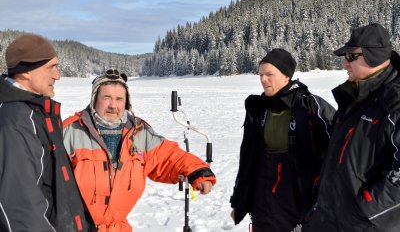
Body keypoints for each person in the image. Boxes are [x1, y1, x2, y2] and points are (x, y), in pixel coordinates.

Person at [63, 68, 217, 231]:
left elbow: (168, 156)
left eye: (119, 99)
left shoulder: (139, 132)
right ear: (94, 99)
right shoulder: (70, 131)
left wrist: (198, 171)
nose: (113, 105)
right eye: (106, 98)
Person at [304, 23, 400, 232]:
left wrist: (366, 209)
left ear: (373, 55)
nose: (344, 64)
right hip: (328, 218)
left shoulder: (394, 102)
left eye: (351, 56)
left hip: (362, 224)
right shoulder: (355, 98)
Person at [230, 48, 335, 232]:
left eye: (269, 74)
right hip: (262, 205)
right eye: (260, 74)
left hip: (299, 207)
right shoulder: (258, 108)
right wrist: (239, 201)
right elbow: (247, 159)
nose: (263, 80)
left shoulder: (310, 106)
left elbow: (337, 154)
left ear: (286, 76)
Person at [0, 34, 92, 231]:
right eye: (51, 67)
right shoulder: (14, 120)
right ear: (26, 72)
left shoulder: (36, 111)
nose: (57, 75)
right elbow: (20, 210)